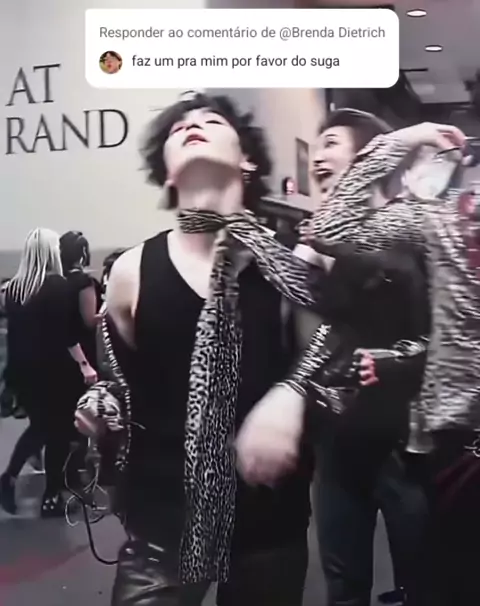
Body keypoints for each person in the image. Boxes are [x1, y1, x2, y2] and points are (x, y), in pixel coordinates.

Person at [75, 93, 318, 606]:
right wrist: (101, 409)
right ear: (166, 171)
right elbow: (121, 383)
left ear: (247, 160)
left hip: (268, 522)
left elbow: (329, 367)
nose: (192, 125)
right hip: (162, 524)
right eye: (177, 128)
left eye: (212, 121)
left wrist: (293, 395)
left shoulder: (288, 268)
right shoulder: (131, 271)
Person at [292, 109, 431, 606]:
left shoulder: (413, 228)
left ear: (371, 156)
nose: (318, 156)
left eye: (331, 143)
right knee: (343, 586)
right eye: (316, 146)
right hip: (336, 446)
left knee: (426, 581)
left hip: (407, 445)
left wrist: (397, 362)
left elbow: (453, 338)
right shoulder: (311, 247)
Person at [0, 228, 97, 517]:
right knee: (57, 433)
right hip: (54, 370)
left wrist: (11, 376)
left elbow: (15, 334)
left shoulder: (14, 289)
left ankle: (11, 478)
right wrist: (84, 364)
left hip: (24, 372)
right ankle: (51, 496)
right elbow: (65, 334)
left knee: (41, 427)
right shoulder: (57, 286)